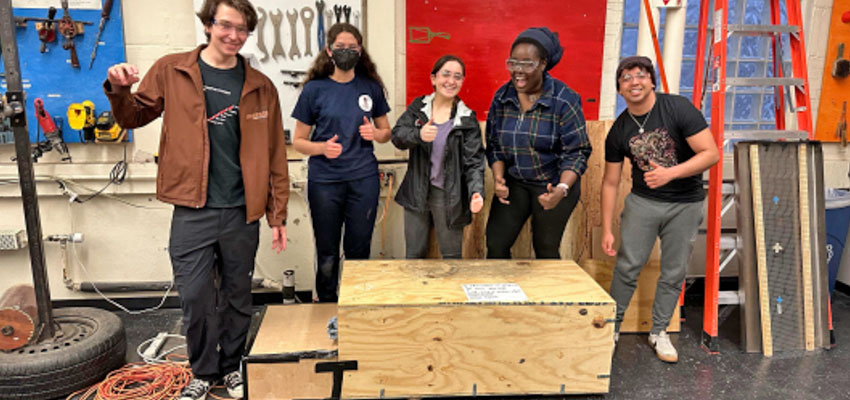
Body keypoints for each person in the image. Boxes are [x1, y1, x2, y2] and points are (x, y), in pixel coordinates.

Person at [103, 0, 289, 398]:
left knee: (238, 296)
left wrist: (278, 215)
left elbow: (275, 154)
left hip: (242, 211)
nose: (233, 36)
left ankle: (232, 367)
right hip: (193, 210)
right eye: (226, 25)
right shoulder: (173, 70)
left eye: (242, 29)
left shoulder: (260, 86)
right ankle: (203, 372)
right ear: (208, 24)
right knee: (195, 297)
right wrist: (120, 89)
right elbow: (132, 117)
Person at [601, 56, 719, 363]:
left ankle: (659, 331)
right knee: (628, 266)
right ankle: (611, 329)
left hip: (686, 203)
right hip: (643, 203)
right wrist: (606, 228)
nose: (634, 82)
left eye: (640, 75)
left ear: (652, 81)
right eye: (626, 78)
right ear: (619, 89)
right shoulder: (619, 130)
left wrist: (670, 173)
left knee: (673, 271)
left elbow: (711, 153)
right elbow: (610, 182)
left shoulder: (677, 108)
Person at [291, 23, 391, 302]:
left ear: (360, 51)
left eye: (352, 48)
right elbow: (299, 141)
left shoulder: (370, 87)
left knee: (359, 248)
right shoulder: (314, 90)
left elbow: (387, 132)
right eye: (341, 47)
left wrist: (376, 133)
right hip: (325, 182)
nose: (346, 52)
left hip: (363, 180)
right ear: (329, 50)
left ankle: (356, 306)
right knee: (327, 250)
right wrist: (322, 148)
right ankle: (325, 304)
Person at [485, 27, 591, 259]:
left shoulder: (564, 100)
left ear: (543, 64)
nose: (518, 71)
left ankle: (548, 297)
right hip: (517, 182)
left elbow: (577, 152)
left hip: (553, 183)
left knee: (545, 248)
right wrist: (499, 178)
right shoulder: (502, 98)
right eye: (513, 63)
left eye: (527, 64)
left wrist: (562, 189)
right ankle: (503, 295)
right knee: (496, 243)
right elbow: (494, 144)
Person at [391, 55, 485, 259]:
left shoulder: (467, 118)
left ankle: (450, 292)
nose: (451, 81)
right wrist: (418, 135)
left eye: (457, 77)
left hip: (449, 197)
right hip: (416, 191)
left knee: (451, 257)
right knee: (414, 256)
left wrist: (476, 191)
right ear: (434, 78)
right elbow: (397, 135)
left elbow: (474, 162)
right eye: (446, 74)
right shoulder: (419, 108)